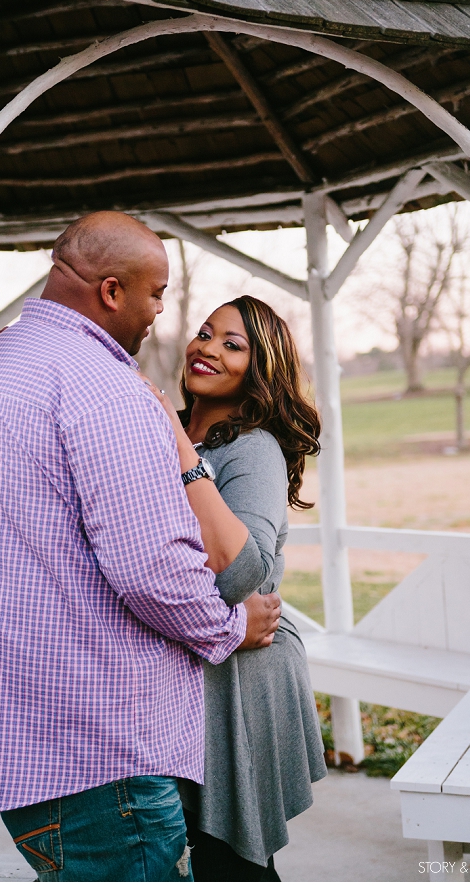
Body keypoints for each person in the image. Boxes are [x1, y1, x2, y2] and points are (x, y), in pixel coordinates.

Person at [0, 212, 281, 883]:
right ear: (111, 291)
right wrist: (227, 624)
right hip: (106, 757)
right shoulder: (105, 389)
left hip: (32, 741)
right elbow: (153, 570)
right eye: (156, 293)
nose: (161, 311)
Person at [140, 295, 327, 881]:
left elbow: (245, 575)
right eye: (204, 333)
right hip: (184, 663)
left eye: (232, 344)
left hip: (244, 672)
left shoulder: (254, 449)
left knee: (230, 857)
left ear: (259, 369)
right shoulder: (152, 430)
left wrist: (178, 445)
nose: (207, 349)